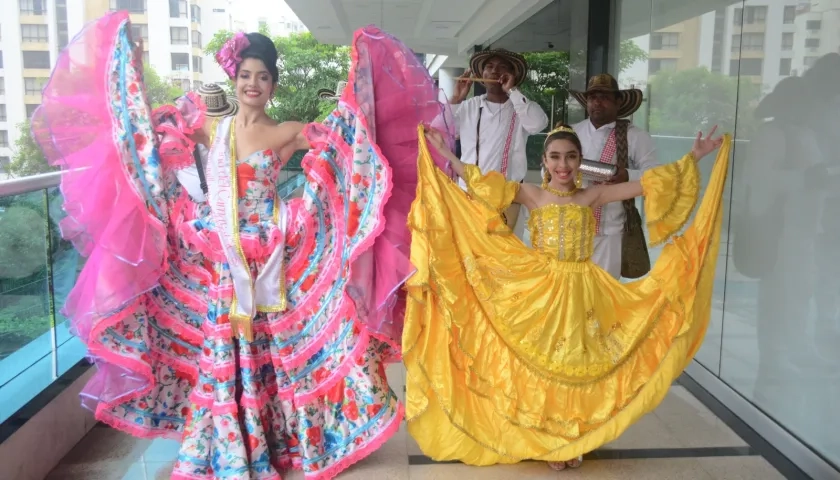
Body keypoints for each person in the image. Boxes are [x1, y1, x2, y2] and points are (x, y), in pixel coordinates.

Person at [31, 13, 452, 479]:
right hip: (217, 257)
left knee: (269, 350)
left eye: (264, 76)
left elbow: (346, 146)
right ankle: (230, 441)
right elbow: (146, 146)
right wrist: (127, 64)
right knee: (223, 347)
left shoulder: (286, 131)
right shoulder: (211, 128)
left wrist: (364, 85)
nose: (254, 83)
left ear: (273, 84)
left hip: (268, 257)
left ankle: (273, 438)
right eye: (246, 74)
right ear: (235, 78)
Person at [403, 123, 728, 471]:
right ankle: (547, 442)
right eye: (555, 157)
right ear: (544, 161)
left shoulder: (593, 195)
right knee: (541, 367)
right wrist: (447, 154)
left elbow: (647, 185)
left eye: (571, 157)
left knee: (575, 367)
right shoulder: (530, 194)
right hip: (540, 291)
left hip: (582, 292)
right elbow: (480, 182)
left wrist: (693, 157)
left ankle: (570, 442)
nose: (563, 165)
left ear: (580, 161)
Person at [569, 74, 658, 279]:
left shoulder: (635, 136)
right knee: (571, 290)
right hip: (572, 226)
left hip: (611, 229)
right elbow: (546, 170)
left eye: (604, 97)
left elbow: (656, 175)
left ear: (618, 102)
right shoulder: (571, 132)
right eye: (592, 97)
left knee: (604, 292)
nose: (597, 102)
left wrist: (627, 175)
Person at [450, 49, 548, 230]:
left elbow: (538, 124)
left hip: (508, 197)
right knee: (471, 254)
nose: (495, 71)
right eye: (489, 66)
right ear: (482, 75)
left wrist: (512, 91)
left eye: (502, 67)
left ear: (512, 76)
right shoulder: (469, 106)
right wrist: (457, 97)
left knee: (506, 254)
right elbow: (443, 129)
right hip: (469, 195)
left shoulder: (520, 106)